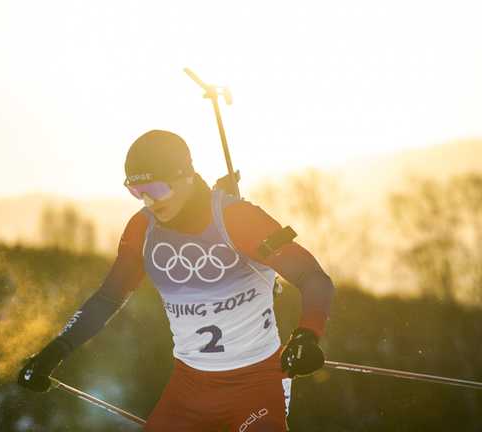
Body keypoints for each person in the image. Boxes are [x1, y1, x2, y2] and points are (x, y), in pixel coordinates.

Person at [18, 130, 335, 431]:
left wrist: (308, 335)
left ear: (185, 174)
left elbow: (312, 277)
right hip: (190, 388)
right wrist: (53, 353)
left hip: (256, 382)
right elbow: (107, 299)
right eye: (137, 192)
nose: (149, 202)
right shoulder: (142, 230)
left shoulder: (238, 219)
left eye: (156, 189)